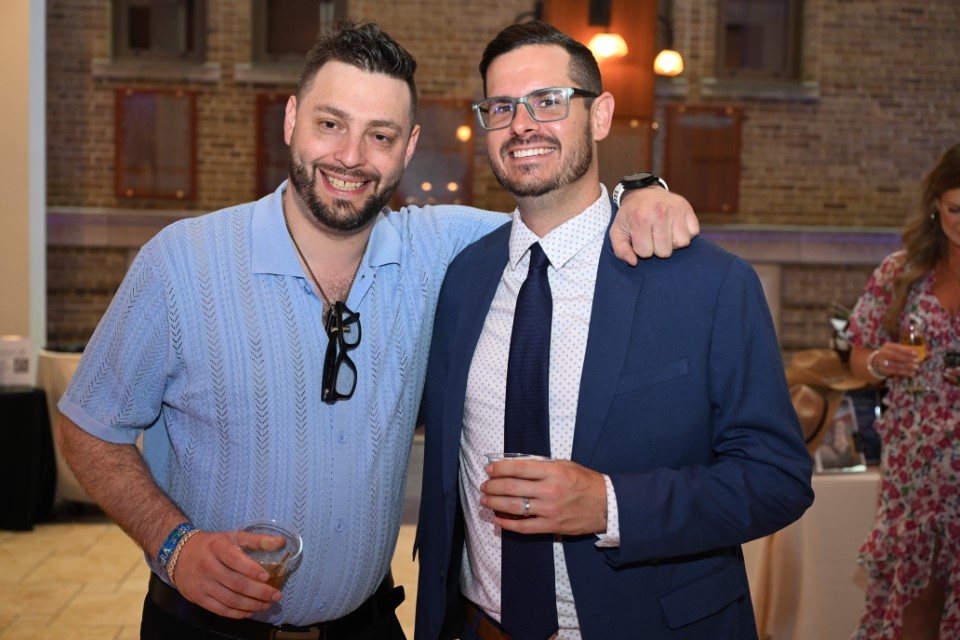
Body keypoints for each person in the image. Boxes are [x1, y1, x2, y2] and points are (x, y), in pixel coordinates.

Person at [56, 20, 699, 640]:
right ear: (291, 120)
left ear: (408, 148)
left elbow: (564, 217)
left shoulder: (440, 252)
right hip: (201, 629)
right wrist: (174, 544)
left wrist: (641, 192)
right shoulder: (182, 264)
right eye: (330, 124)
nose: (351, 157)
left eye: (380, 135)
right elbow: (88, 428)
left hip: (367, 626)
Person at [414, 21, 815, 640]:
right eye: (501, 107)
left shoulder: (707, 284)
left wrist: (610, 506)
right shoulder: (462, 277)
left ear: (599, 115)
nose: (522, 125)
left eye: (548, 101)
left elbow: (776, 477)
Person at [846, 142, 960, 640]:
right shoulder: (902, 271)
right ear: (936, 202)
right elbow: (857, 352)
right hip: (915, 464)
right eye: (956, 209)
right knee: (917, 597)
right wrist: (878, 361)